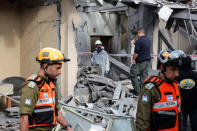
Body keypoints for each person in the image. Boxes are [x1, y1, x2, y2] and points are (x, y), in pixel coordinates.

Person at [20, 47, 73, 131]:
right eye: (57, 68)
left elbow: (56, 111)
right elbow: (24, 117)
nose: (60, 72)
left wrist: (67, 127)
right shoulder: (33, 86)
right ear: (45, 65)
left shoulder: (51, 85)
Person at [136, 49, 186, 131]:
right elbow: (142, 121)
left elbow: (178, 116)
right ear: (162, 67)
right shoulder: (151, 89)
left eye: (178, 70)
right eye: (173, 69)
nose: (177, 74)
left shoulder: (176, 86)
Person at [177, 55, 197, 131]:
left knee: (182, 125)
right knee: (194, 125)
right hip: (194, 105)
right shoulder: (195, 75)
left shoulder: (179, 75)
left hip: (182, 105)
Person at [130, 28, 151, 95]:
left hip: (140, 62)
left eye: (137, 33)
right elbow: (142, 46)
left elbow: (136, 53)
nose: (137, 35)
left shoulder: (139, 41)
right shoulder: (147, 40)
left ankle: (137, 91)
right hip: (147, 62)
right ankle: (143, 91)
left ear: (139, 33)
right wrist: (135, 43)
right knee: (144, 77)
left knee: (133, 74)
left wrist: (133, 59)